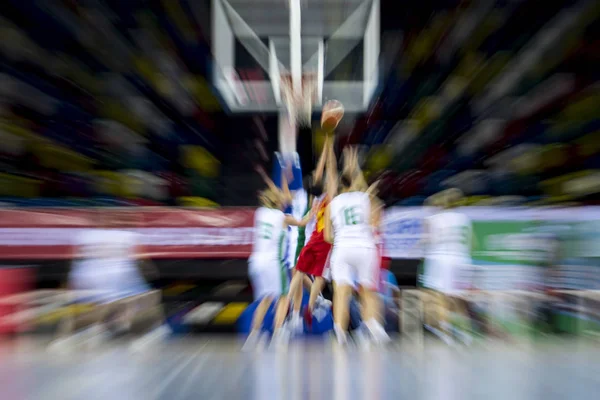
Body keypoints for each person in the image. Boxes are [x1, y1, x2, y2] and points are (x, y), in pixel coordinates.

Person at [49, 211, 170, 352]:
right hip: (117, 275)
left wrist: (72, 280)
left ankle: (66, 337)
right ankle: (148, 331)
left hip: (87, 275)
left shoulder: (84, 235)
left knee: (92, 305)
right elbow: (141, 257)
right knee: (147, 297)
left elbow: (74, 258)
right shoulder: (129, 236)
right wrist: (153, 274)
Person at [324, 147, 390, 346]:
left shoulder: (332, 203)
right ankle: (375, 329)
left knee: (341, 294)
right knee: (368, 292)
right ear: (355, 182)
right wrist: (354, 166)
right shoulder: (364, 198)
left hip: (343, 248)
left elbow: (328, 236)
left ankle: (340, 333)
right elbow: (374, 218)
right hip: (365, 247)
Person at [243, 178, 307, 350]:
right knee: (284, 296)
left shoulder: (260, 213)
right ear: (278, 202)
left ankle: (253, 336)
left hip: (255, 261)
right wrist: (314, 210)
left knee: (265, 298)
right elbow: (302, 223)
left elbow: (276, 197)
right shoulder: (282, 217)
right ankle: (278, 333)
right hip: (272, 262)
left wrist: (278, 184)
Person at [421, 188, 474, 344]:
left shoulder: (433, 219)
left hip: (440, 258)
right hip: (461, 259)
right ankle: (466, 332)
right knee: (459, 298)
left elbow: (428, 240)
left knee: (439, 297)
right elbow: (471, 243)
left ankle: (445, 331)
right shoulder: (465, 219)